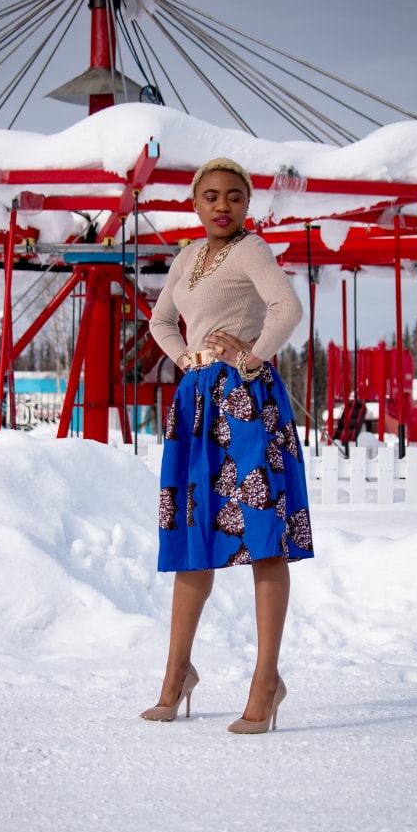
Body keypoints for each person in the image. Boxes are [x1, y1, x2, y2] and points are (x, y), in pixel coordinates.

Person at [140, 156, 314, 734]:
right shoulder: (187, 257)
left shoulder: (251, 249)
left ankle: (267, 681)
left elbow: (288, 308)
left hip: (244, 405)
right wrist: (184, 357)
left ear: (247, 203)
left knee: (264, 536)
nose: (222, 205)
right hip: (196, 403)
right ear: (195, 203)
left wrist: (251, 355)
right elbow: (161, 320)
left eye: (234, 196)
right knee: (196, 534)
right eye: (211, 196)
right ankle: (175, 674)